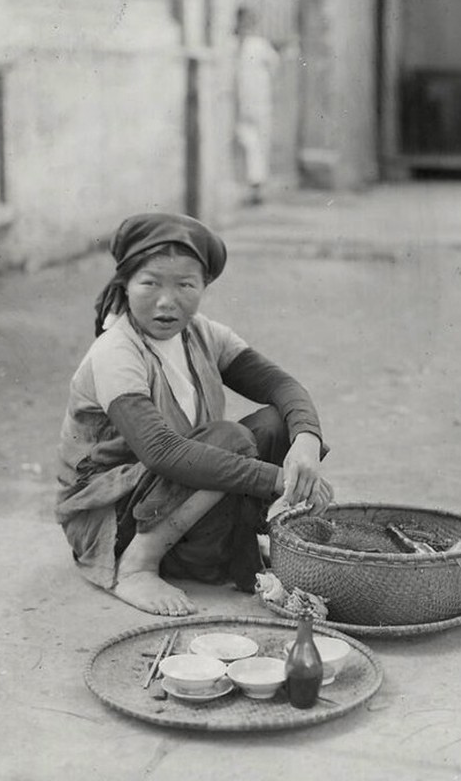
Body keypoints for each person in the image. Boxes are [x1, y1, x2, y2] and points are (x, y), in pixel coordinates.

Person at [55, 212, 332, 617]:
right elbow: (161, 452)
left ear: (204, 286)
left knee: (276, 423)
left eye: (186, 285)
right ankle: (137, 568)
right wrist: (277, 479)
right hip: (111, 518)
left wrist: (306, 440)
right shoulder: (117, 351)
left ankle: (225, 547)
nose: (167, 302)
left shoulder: (203, 334)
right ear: (125, 284)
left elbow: (283, 388)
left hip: (167, 499)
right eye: (149, 283)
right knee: (230, 440)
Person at [233, 5, 280, 206]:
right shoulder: (230, 43)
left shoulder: (259, 45)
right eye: (244, 20)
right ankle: (248, 186)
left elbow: (274, 68)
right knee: (243, 142)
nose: (247, 25)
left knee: (256, 144)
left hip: (257, 101)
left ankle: (256, 187)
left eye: (251, 21)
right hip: (234, 103)